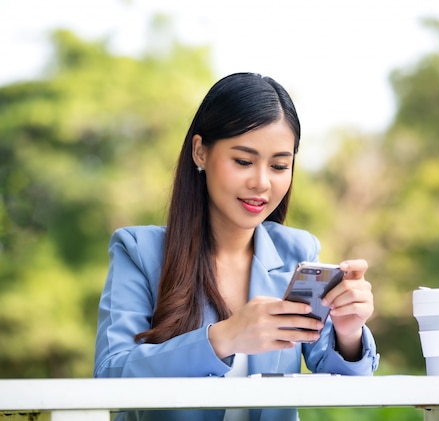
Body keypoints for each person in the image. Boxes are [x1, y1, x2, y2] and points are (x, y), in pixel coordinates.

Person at [94, 72, 380, 421]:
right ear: (200, 152)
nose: (261, 182)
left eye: (279, 165)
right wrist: (223, 338)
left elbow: (346, 379)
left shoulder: (298, 253)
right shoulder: (139, 250)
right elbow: (110, 375)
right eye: (243, 161)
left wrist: (349, 332)